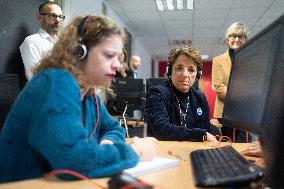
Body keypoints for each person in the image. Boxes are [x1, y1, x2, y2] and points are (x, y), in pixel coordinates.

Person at [0, 15, 157, 183]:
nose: (118, 66)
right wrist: (135, 151)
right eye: (110, 55)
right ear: (79, 51)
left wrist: (106, 146)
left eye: (119, 59)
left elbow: (113, 128)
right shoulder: (55, 83)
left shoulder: (89, 95)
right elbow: (73, 163)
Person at [145, 45, 219, 142]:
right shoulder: (157, 94)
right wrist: (199, 134)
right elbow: (161, 129)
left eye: (191, 70)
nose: (185, 74)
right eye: (179, 68)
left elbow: (206, 128)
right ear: (170, 71)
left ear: (197, 75)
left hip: (194, 152)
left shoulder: (199, 97)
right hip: (164, 152)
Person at [212, 22, 249, 142]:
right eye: (233, 36)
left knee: (244, 142)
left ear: (245, 39)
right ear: (228, 39)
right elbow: (219, 87)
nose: (236, 39)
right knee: (228, 142)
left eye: (240, 36)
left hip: (246, 110)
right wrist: (240, 96)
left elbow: (253, 85)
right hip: (225, 110)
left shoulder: (251, 61)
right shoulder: (218, 61)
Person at [19, 1, 64, 80]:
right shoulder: (32, 42)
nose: (57, 21)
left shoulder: (63, 43)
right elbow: (34, 77)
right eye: (52, 16)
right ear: (40, 18)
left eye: (60, 17)